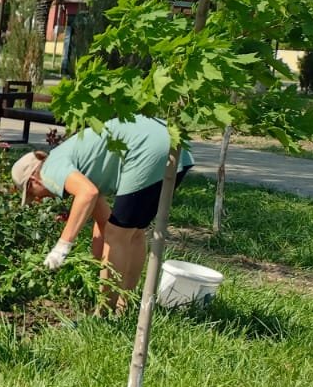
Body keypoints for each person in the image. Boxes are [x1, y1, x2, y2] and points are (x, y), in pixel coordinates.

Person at [12, 116, 194, 292]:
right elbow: (104, 223)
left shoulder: (50, 168)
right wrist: (98, 265)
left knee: (119, 235)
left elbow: (87, 193)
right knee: (133, 233)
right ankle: (125, 305)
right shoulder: (75, 163)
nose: (38, 200)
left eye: (32, 195)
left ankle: (105, 312)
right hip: (174, 144)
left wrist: (62, 247)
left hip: (147, 150)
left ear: (34, 180)